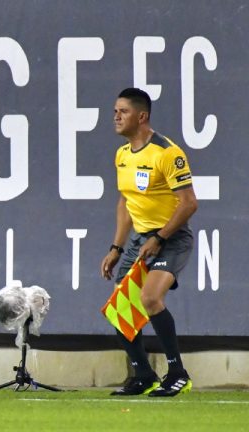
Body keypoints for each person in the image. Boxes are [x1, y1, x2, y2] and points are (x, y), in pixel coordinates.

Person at [100, 88, 198, 397]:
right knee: (119, 308)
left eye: (123, 111)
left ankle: (178, 372)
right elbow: (125, 202)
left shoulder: (167, 153)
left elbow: (189, 203)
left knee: (151, 299)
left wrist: (159, 237)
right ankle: (143, 374)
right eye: (115, 110)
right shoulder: (122, 155)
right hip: (142, 240)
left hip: (172, 237)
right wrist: (116, 247)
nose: (116, 116)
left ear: (142, 116)